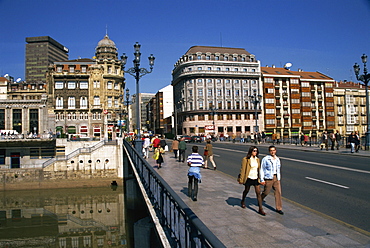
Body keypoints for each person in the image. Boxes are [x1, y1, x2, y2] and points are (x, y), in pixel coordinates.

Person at [238, 146, 265, 216]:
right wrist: (241, 179)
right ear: (251, 151)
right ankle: (243, 200)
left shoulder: (257, 159)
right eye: (254, 151)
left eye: (256, 151)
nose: (255, 152)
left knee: (258, 193)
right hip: (249, 177)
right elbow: (243, 169)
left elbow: (259, 169)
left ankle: (260, 209)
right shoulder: (246, 159)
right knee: (246, 190)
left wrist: (261, 178)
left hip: (255, 177)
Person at [260, 145, 283, 215]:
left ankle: (278, 208)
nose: (272, 152)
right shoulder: (266, 159)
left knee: (278, 192)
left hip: (276, 178)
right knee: (266, 192)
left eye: (273, 150)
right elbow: (262, 169)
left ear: (275, 151)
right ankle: (260, 199)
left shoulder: (277, 159)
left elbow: (278, 169)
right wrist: (262, 179)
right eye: (271, 150)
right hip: (268, 178)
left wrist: (278, 178)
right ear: (269, 151)